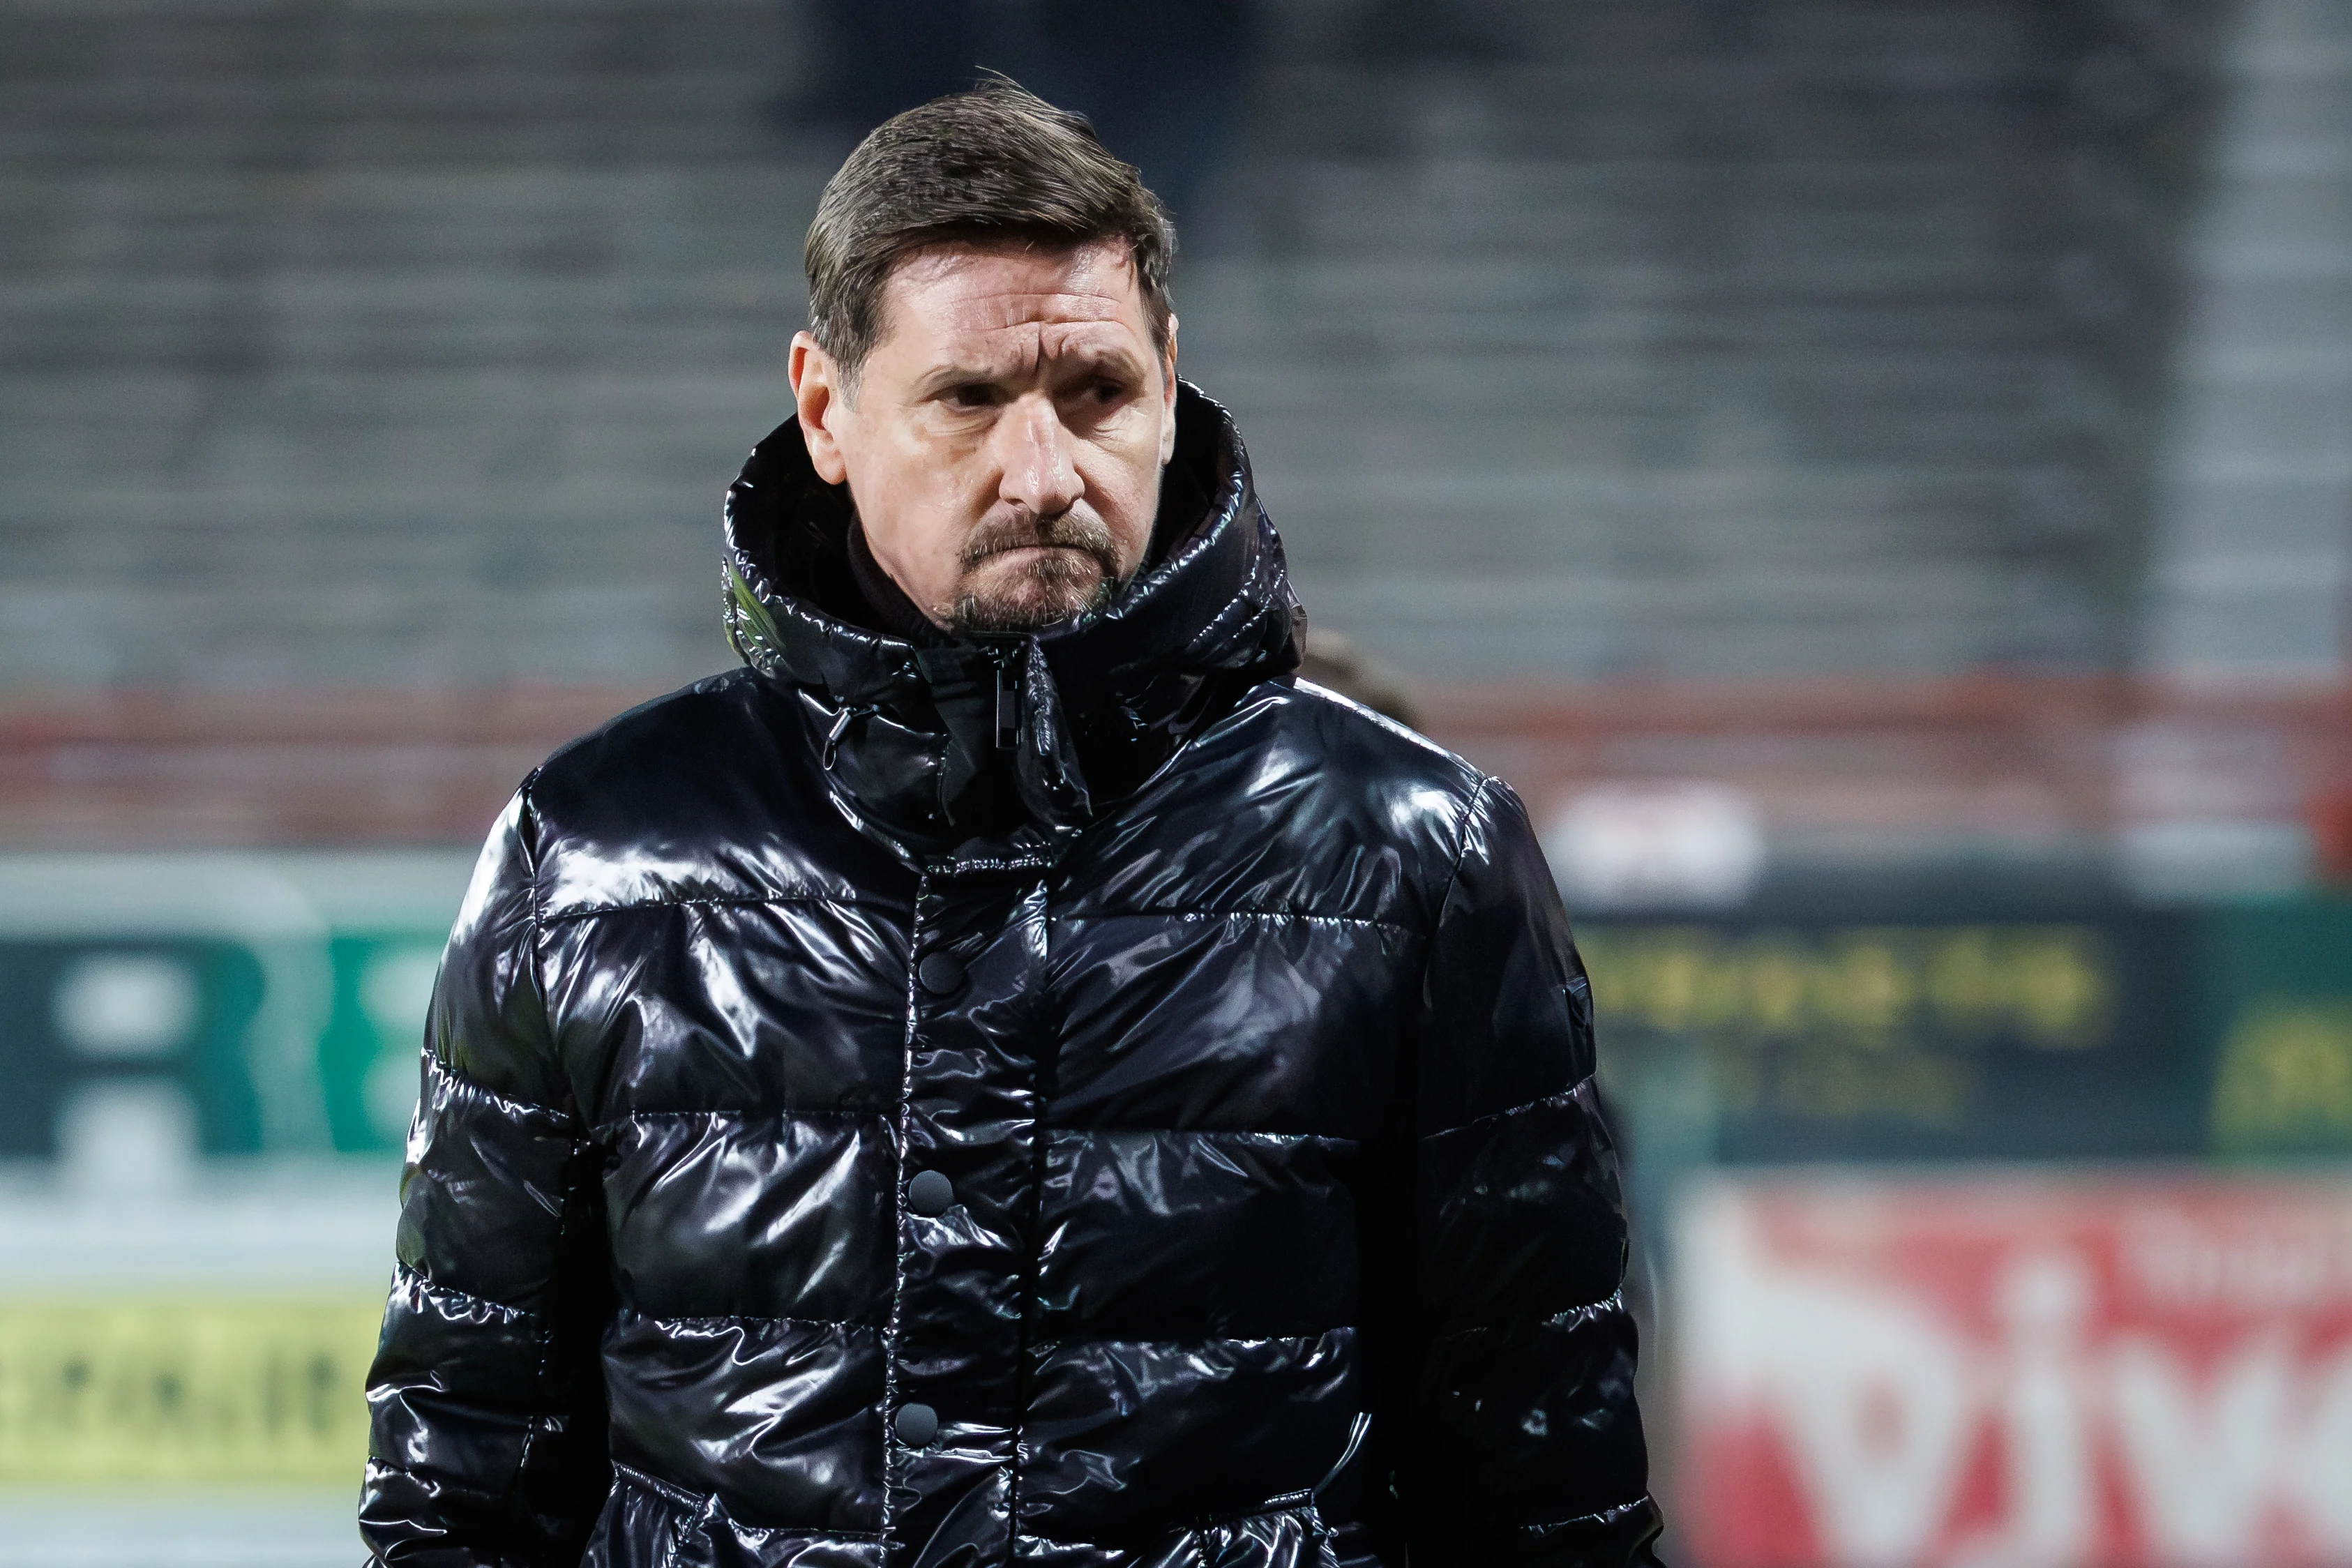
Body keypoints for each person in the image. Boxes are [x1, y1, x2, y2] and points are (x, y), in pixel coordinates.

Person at [360, 80, 1662, 1568]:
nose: (1044, 473)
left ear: (1170, 382)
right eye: (970, 399)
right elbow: (462, 1483)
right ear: (825, 410)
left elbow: (1546, 1500)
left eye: (1096, 394)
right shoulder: (586, 856)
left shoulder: (1422, 857)